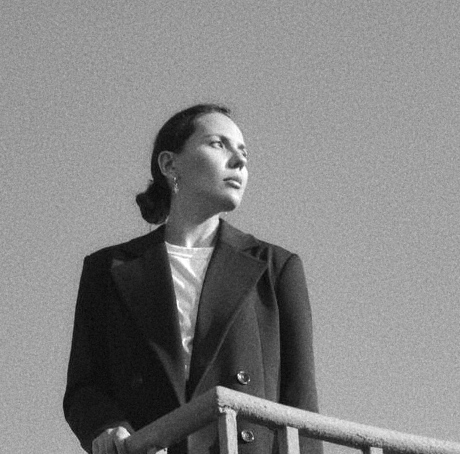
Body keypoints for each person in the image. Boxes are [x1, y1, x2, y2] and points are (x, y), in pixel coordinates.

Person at [64, 104, 323, 454]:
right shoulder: (108, 269)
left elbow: (301, 408)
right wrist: (108, 427)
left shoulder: (276, 268)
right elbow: (85, 388)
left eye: (244, 153)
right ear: (170, 164)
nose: (239, 161)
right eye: (218, 144)